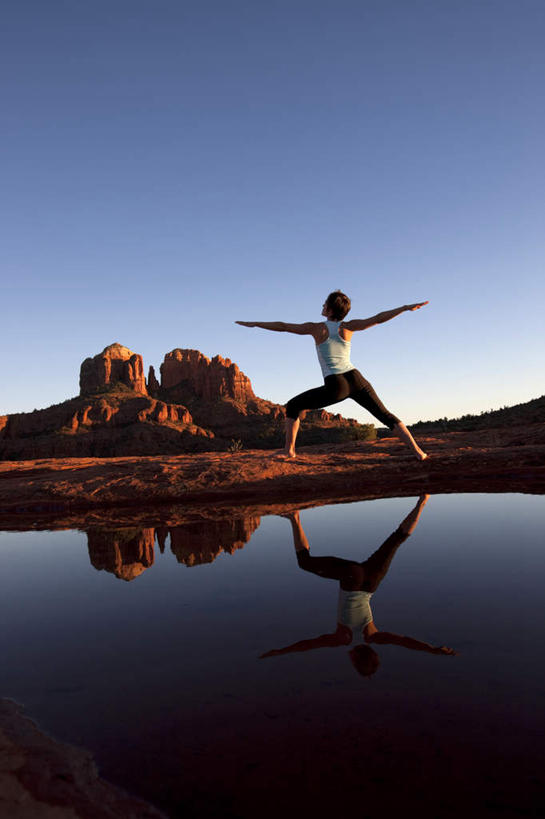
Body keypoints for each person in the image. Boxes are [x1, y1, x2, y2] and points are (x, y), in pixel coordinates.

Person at [261, 496, 457, 677]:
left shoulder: (375, 637)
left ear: (373, 654)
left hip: (372, 581)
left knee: (397, 539)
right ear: (355, 660)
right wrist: (281, 651)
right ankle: (294, 517)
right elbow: (309, 645)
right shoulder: (341, 639)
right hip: (351, 579)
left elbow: (404, 641)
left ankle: (423, 500)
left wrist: (432, 649)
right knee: (304, 562)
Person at [236, 290, 428, 459]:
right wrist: (404, 308)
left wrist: (255, 324)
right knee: (385, 415)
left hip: (336, 385)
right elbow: (378, 318)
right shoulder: (348, 327)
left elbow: (284, 326)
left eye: (324, 304)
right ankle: (419, 452)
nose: (322, 306)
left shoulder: (316, 328)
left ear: (329, 309)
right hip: (357, 379)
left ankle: (289, 451)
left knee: (294, 406)